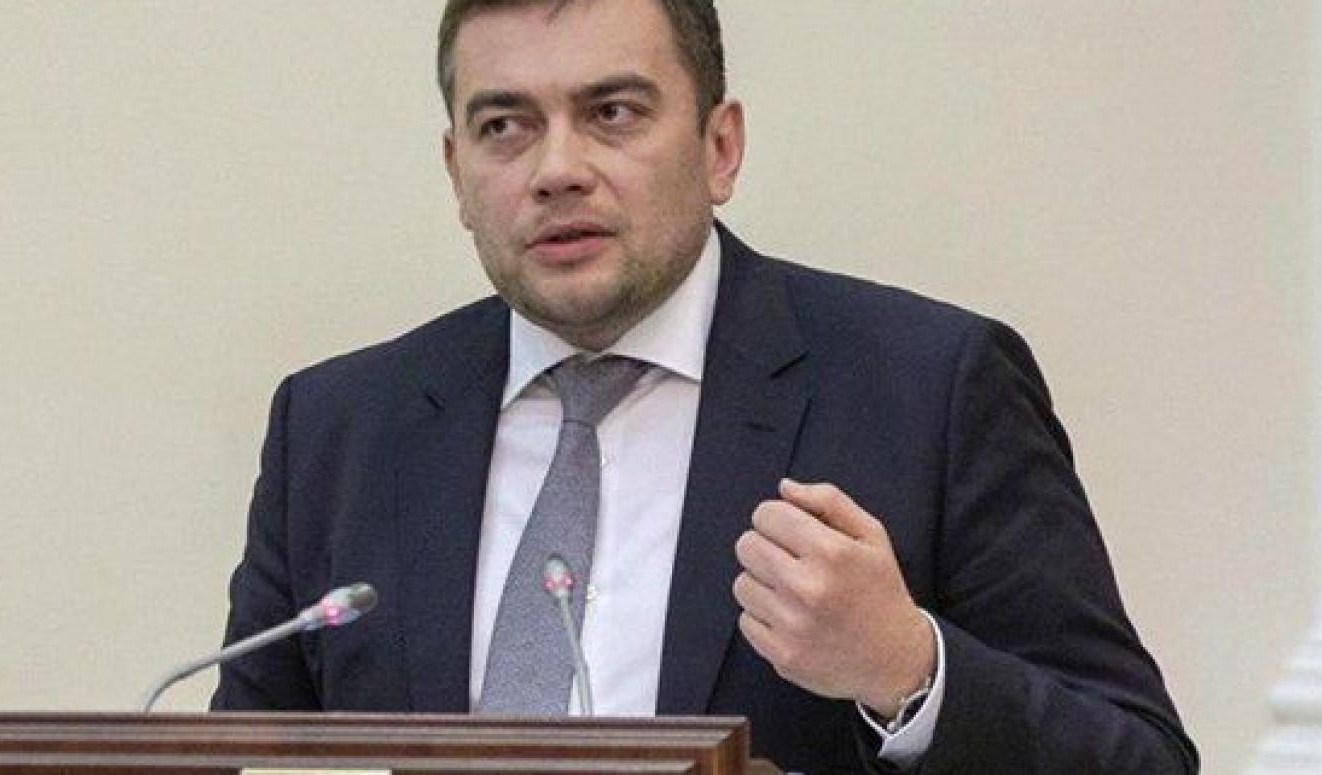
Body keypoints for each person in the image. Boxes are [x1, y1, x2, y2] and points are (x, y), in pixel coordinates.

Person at [211, 1, 1199, 772]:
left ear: (719, 147)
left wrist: (906, 668)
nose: (557, 170)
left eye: (612, 113)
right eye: (504, 125)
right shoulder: (339, 427)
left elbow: (1139, 757)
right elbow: (250, 758)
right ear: (457, 172)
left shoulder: (927, 388)